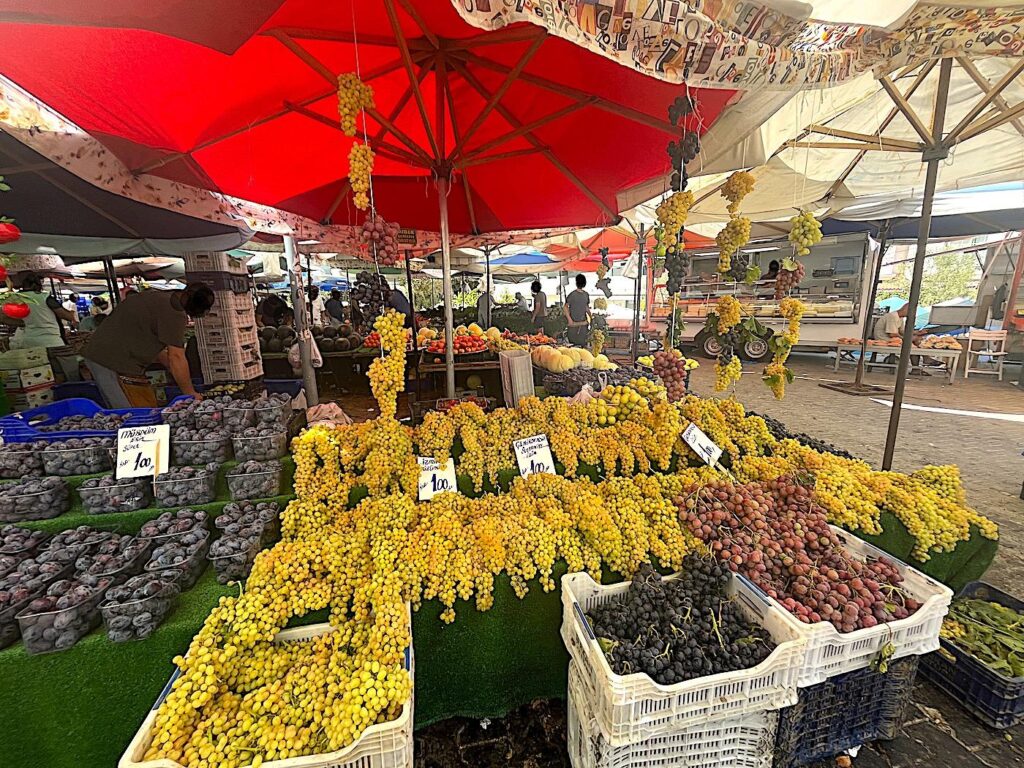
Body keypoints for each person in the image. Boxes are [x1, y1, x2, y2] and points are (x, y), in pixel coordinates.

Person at [81, 282, 214, 407]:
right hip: (110, 361)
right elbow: (177, 357)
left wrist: (169, 366)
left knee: (131, 406)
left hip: (102, 356)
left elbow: (151, 339)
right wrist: (190, 392)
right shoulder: (174, 313)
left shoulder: (157, 297)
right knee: (132, 413)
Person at [1, 271, 78, 351]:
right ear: (39, 284)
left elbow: (3, 318)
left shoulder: (16, 298)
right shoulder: (45, 297)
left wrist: (27, 322)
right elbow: (68, 316)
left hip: (27, 341)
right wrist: (71, 313)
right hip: (50, 341)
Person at [564, 274, 591, 347]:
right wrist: (569, 320)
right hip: (573, 324)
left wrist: (591, 317)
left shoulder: (585, 295)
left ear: (576, 283)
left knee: (580, 346)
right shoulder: (573, 295)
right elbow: (565, 307)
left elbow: (586, 307)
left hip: (582, 325)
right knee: (574, 346)